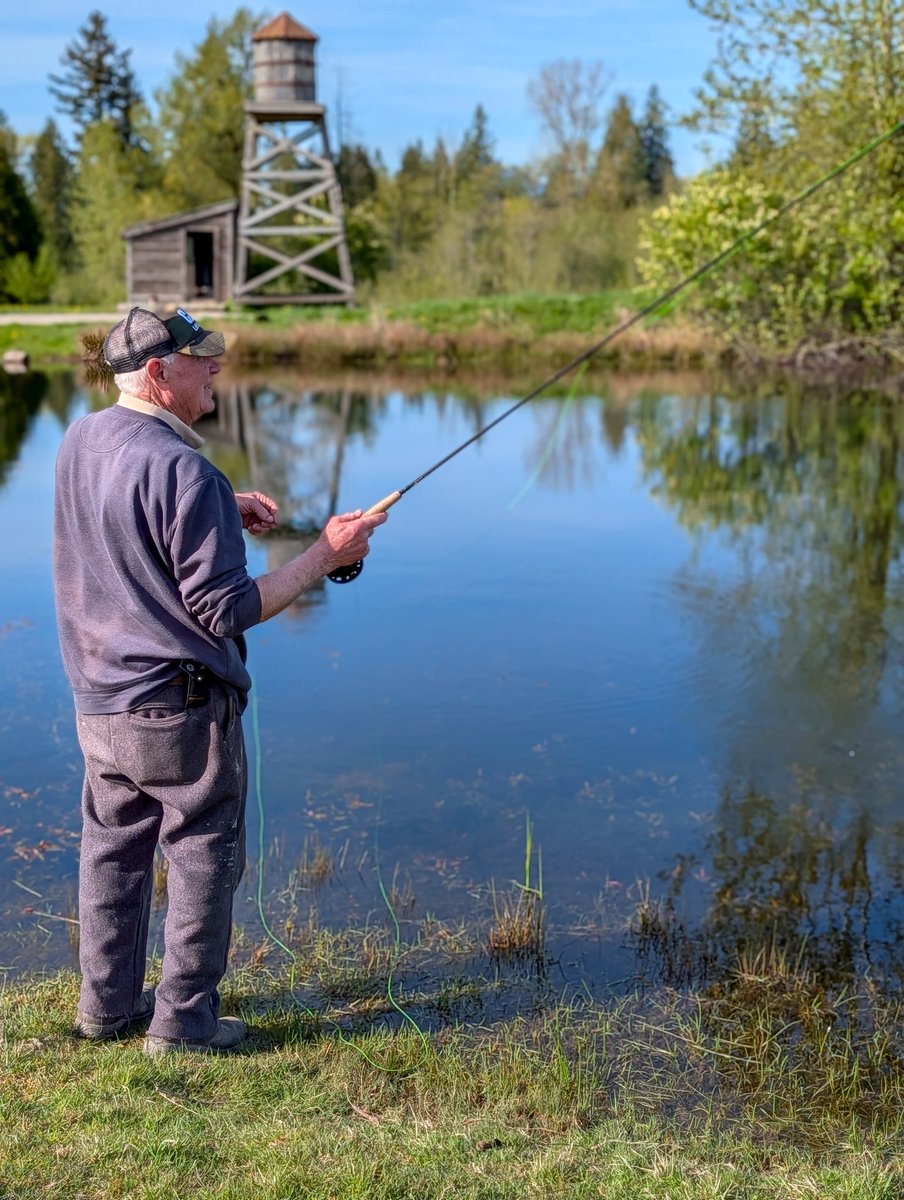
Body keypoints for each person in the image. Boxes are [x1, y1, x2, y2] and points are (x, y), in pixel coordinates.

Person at [53, 306, 386, 1055]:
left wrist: (216, 511)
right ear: (159, 374)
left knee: (111, 855)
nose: (216, 368)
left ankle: (104, 1011)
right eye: (202, 359)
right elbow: (228, 610)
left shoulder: (82, 440)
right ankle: (183, 1026)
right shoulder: (184, 469)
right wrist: (323, 557)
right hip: (178, 712)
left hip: (99, 704)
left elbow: (119, 516)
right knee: (203, 856)